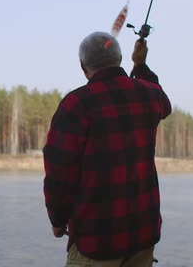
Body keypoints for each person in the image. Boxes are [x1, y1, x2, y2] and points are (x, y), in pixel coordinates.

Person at [43, 32, 171, 266]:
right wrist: (140, 65)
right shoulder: (149, 95)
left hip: (96, 240)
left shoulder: (77, 104)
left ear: (83, 67)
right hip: (143, 235)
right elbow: (162, 100)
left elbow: (59, 171)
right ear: (120, 58)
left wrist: (58, 220)